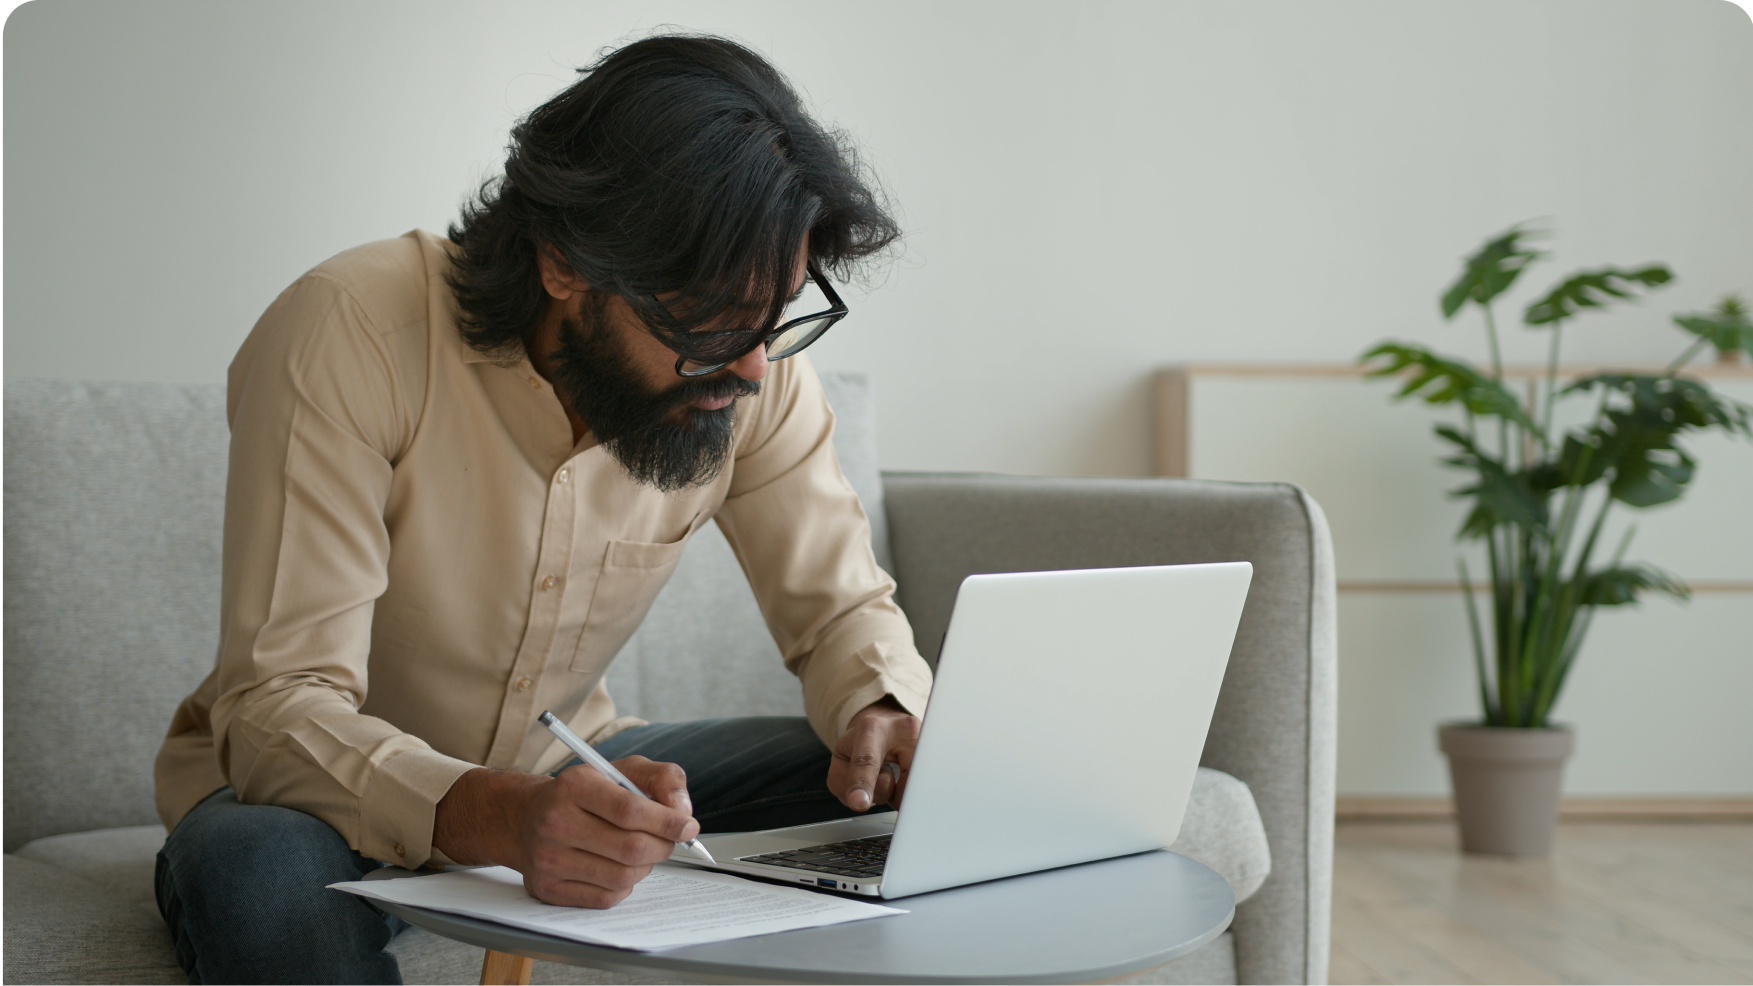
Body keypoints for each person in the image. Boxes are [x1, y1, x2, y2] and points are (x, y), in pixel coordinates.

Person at [151, 34, 932, 985]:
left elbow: (841, 609)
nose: (752, 365)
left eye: (775, 316)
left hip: (576, 766)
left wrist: (885, 707)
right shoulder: (351, 330)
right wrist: (500, 815)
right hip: (302, 798)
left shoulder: (752, 370)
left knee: (910, 795)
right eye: (711, 321)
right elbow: (277, 708)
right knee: (252, 872)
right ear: (565, 264)